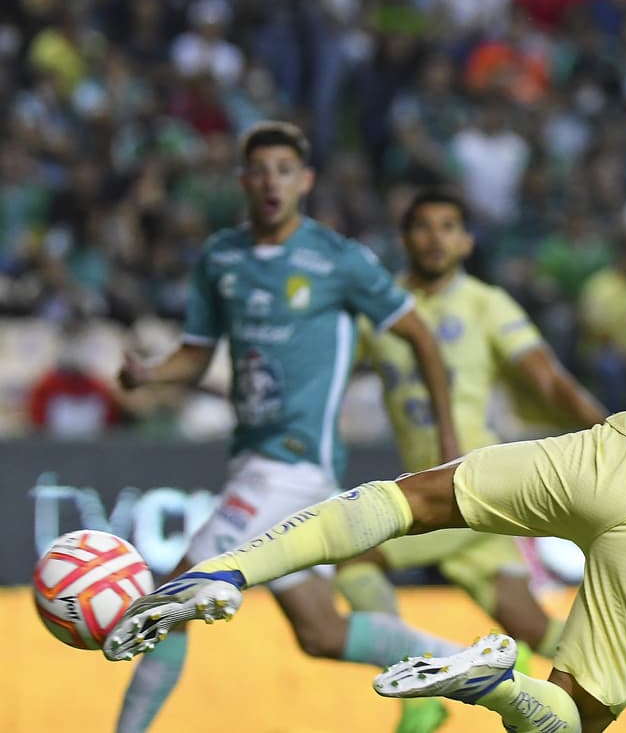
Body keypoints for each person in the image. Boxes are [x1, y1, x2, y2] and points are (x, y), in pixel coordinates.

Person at [102, 165, 626, 733]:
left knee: (416, 497)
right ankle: (499, 684)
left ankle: (226, 573)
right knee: (575, 717)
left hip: (621, 460)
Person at [112, 121, 463, 733]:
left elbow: (421, 338)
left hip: (296, 464)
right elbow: (197, 352)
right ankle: (461, 662)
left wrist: (450, 442)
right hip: (252, 461)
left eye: (285, 170)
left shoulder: (338, 259)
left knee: (169, 598)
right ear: (244, 181)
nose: (272, 181)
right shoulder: (222, 257)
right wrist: (151, 373)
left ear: (306, 181)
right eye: (260, 170)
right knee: (320, 632)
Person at [337, 184, 626, 732]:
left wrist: (611, 433)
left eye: (448, 227)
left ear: (466, 241)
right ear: (404, 238)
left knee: (355, 559)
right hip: (431, 485)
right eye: (423, 227)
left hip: (472, 482)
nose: (435, 238)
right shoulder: (383, 313)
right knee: (530, 626)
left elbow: (547, 379)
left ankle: (417, 698)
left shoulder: (486, 305)